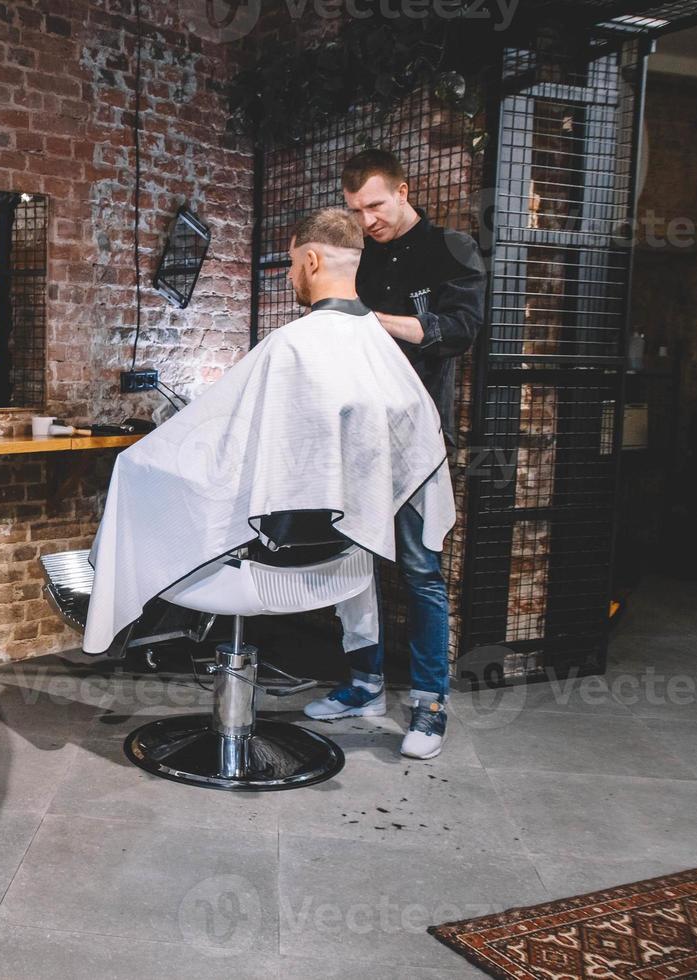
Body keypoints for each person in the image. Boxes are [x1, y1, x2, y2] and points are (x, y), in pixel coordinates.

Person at [83, 209, 454, 693]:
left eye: (292, 262)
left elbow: (225, 448)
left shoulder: (291, 347)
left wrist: (140, 463)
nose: (288, 273)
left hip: (271, 564)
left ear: (313, 260)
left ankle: (111, 599)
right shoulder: (381, 348)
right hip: (347, 552)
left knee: (137, 476)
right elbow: (416, 440)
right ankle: (384, 694)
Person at [302, 149, 487, 760]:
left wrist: (371, 321)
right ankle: (364, 685)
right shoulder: (362, 255)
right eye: (356, 209)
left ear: (404, 191)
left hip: (419, 435)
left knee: (420, 569)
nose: (368, 219)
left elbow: (458, 330)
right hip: (358, 436)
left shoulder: (450, 250)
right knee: (352, 562)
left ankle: (431, 705)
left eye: (376, 205)